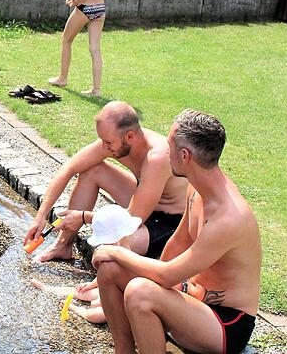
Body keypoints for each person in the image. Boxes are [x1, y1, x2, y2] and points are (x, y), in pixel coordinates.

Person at [94, 110, 261, 354]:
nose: (164, 150)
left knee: (140, 293)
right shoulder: (196, 188)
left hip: (225, 324)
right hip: (193, 300)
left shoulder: (228, 218)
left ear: (184, 156)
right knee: (109, 271)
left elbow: (168, 276)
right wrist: (122, 265)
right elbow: (177, 243)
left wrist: (118, 252)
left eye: (169, 146)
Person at [24, 101, 188, 263]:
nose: (103, 146)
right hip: (145, 201)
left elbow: (130, 221)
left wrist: (83, 217)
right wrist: (40, 216)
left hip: (170, 222)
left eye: (108, 142)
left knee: (110, 252)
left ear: (130, 136)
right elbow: (69, 168)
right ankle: (62, 245)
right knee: (92, 170)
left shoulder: (157, 157)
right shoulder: (119, 139)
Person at [30, 205, 142, 324]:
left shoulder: (122, 253)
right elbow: (106, 277)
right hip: (109, 292)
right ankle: (49, 289)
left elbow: (126, 278)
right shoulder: (118, 246)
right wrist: (92, 284)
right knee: (81, 291)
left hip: (122, 300)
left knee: (98, 315)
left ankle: (78, 310)